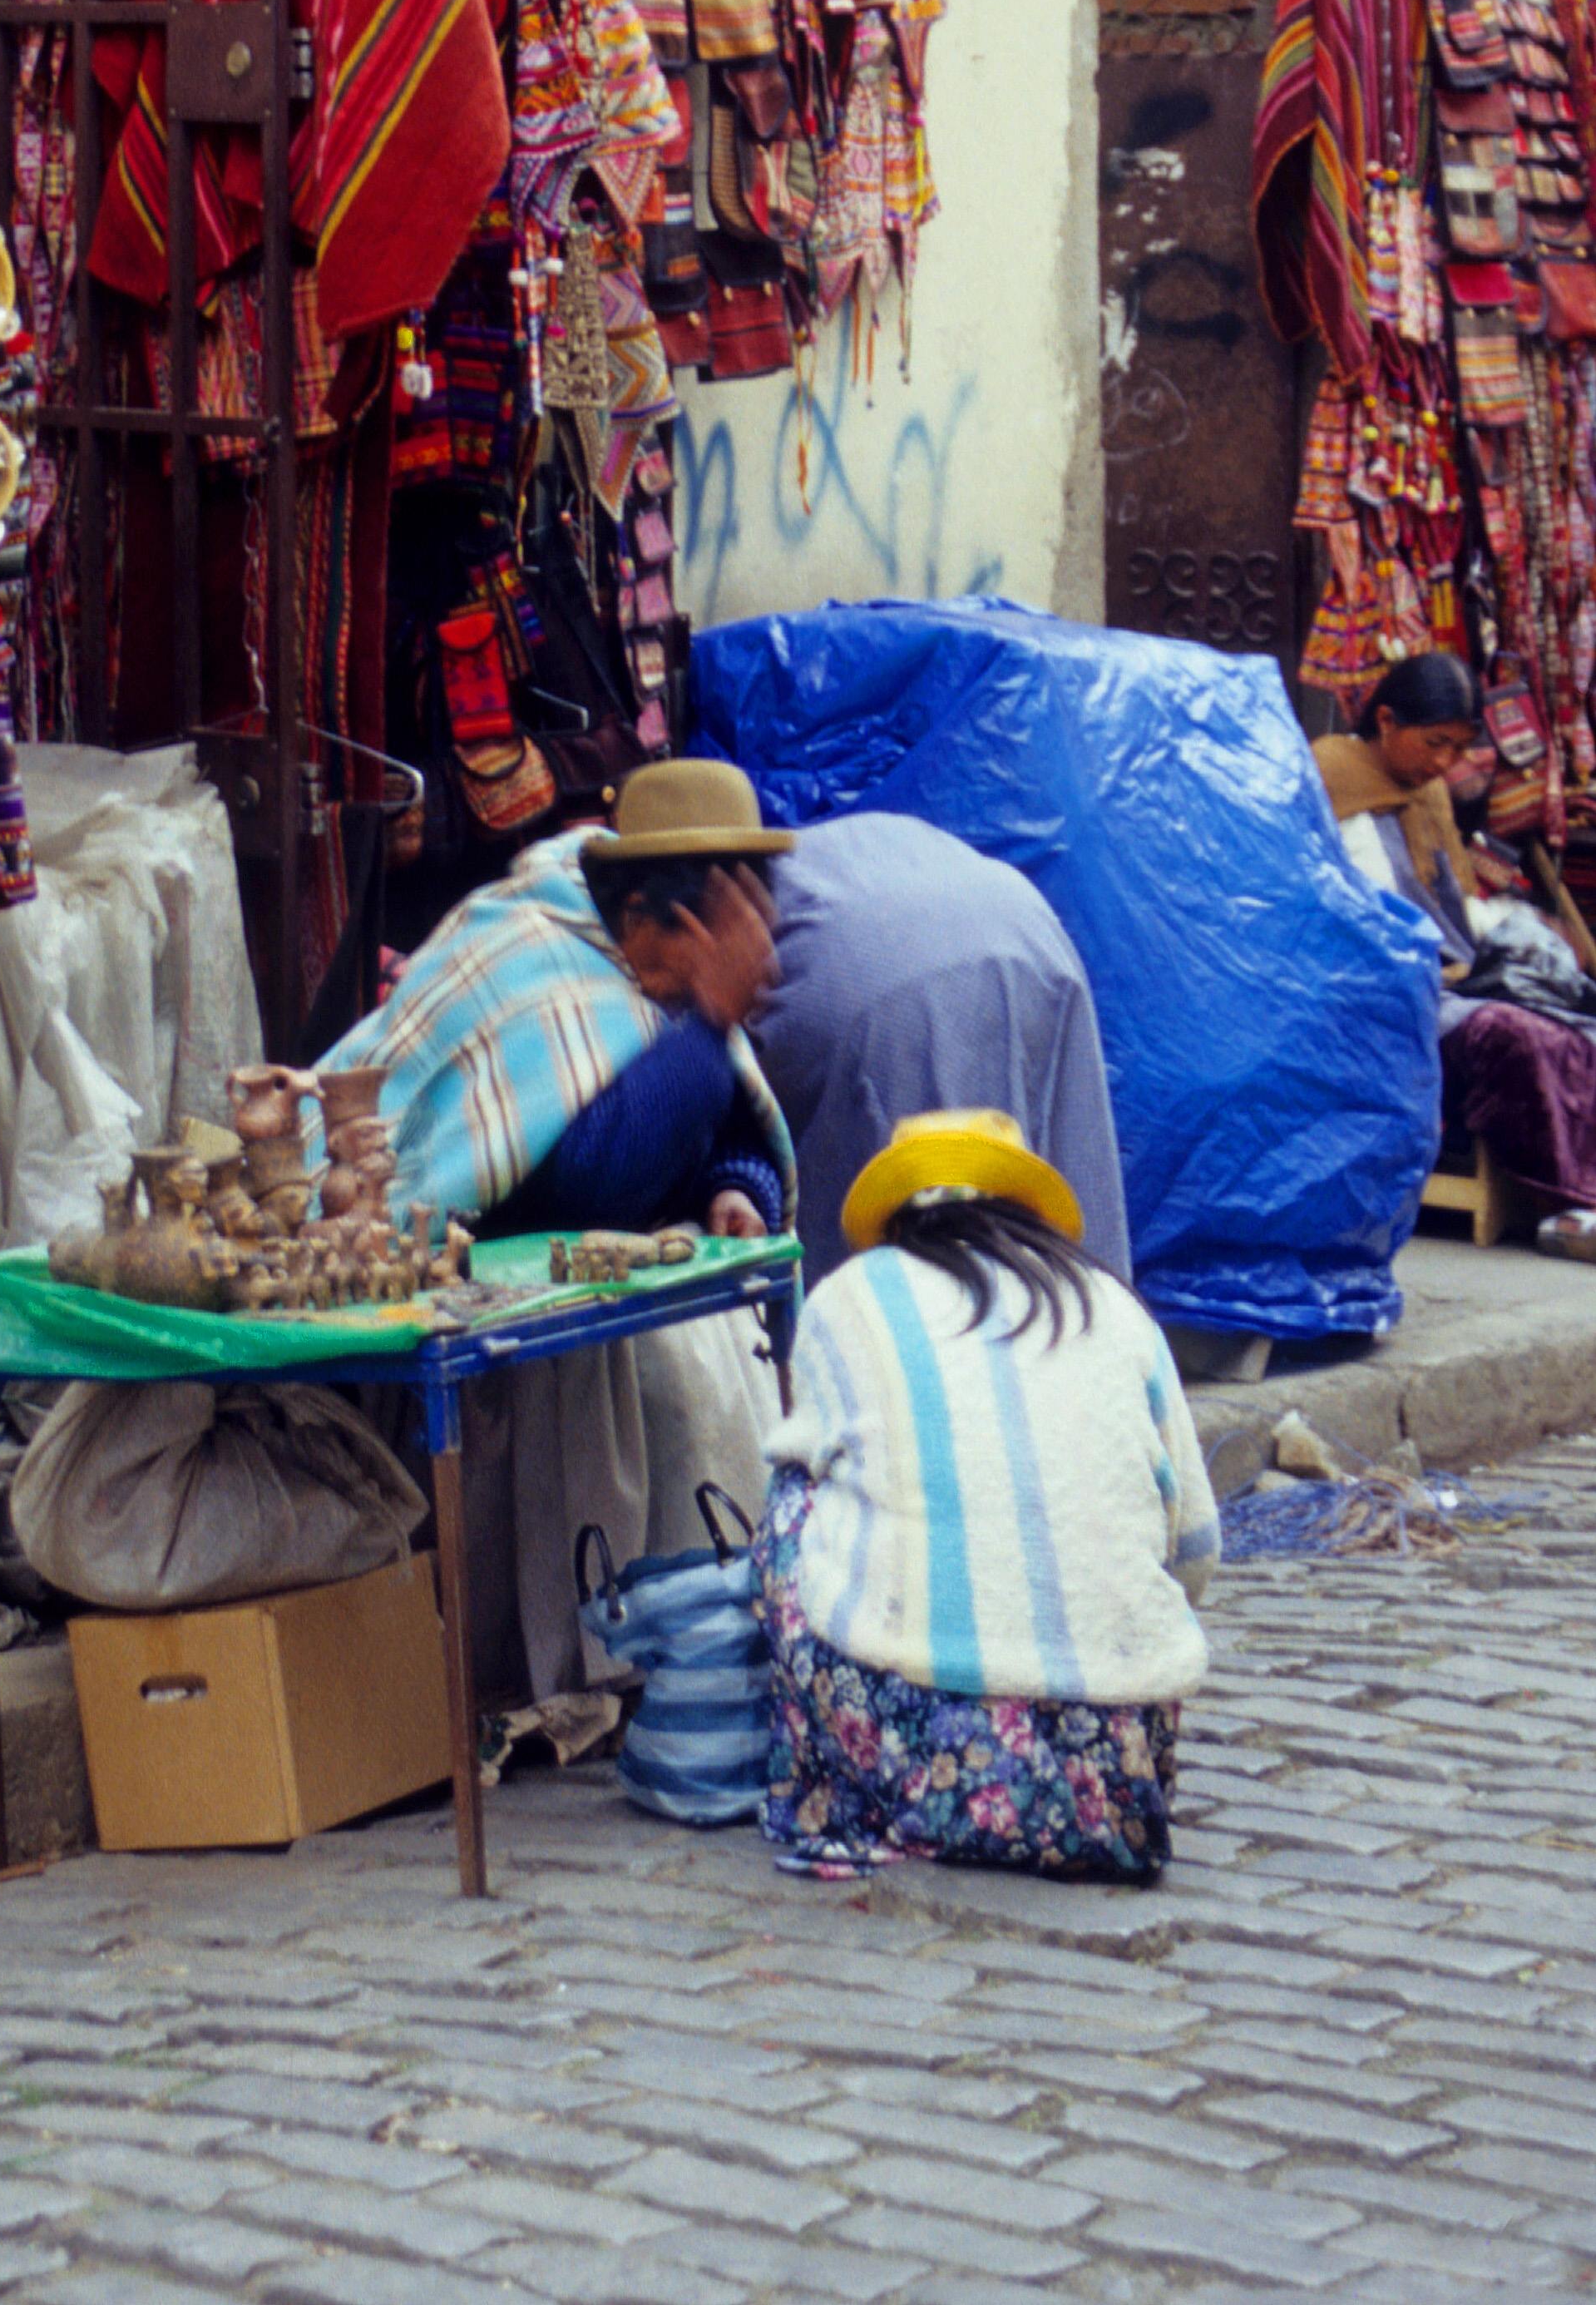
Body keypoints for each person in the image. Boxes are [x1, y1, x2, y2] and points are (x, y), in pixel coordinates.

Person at [314, 764, 798, 1704]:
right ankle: (513, 1676)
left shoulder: (663, 984)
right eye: (715, 940)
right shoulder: (530, 953)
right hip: (464, 1302)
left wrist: (734, 1185)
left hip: (578, 1315)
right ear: (654, 920)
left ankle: (650, 1649)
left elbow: (728, 1118)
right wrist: (705, 1021)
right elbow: (592, 1173)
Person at [756, 1108, 1216, 1886]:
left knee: (793, 1492)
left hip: (906, 1738)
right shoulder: (1114, 1305)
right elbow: (1196, 1550)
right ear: (1020, 1213)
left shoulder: (850, 1296)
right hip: (1115, 1775)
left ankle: (832, 1788)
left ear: (900, 1219)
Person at [751, 812, 1133, 1287]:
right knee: (1068, 1211)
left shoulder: (712, 927)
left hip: (883, 984)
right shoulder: (810, 857)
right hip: (1029, 932)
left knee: (908, 1252)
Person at [1314, 653, 1596, 1259]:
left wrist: (1519, 935)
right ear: (1386, 721)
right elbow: (1345, 910)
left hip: (1447, 977)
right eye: (1435, 743)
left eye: (1457, 749)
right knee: (1511, 1032)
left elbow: (1454, 907)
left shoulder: (1427, 793)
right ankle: (1572, 1200)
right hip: (1368, 990)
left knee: (1572, 1016)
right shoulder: (1329, 777)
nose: (1444, 763)